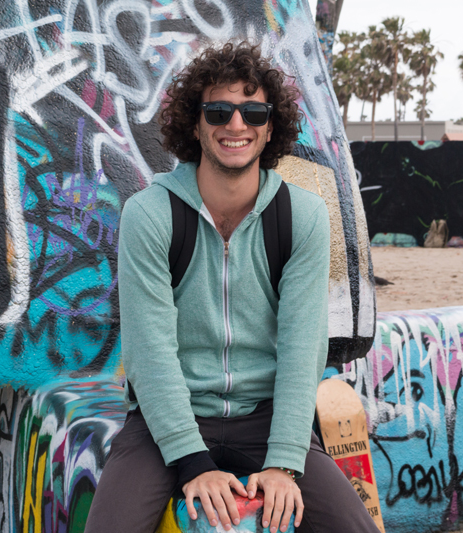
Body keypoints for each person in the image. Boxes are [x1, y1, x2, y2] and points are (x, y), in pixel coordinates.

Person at [84, 42, 380, 533]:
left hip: (266, 420)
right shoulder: (149, 214)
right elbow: (150, 352)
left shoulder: (302, 217)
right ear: (195, 124)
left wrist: (285, 463)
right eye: (218, 110)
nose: (236, 125)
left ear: (271, 128)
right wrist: (192, 461)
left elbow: (303, 347)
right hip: (165, 426)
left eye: (253, 111)